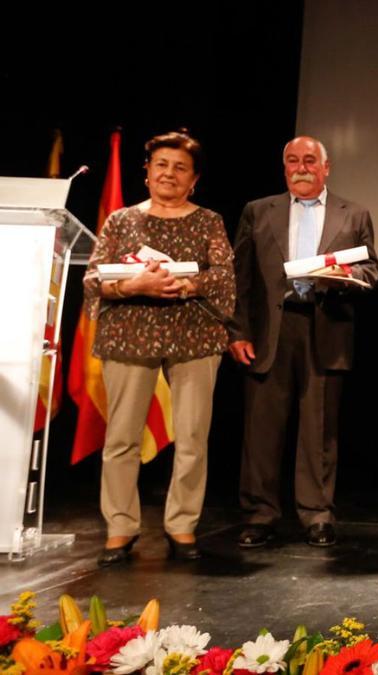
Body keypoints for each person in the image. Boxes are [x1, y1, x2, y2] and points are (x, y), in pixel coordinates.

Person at [82, 131, 235, 566]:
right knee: (122, 439)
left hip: (194, 335)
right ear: (146, 172)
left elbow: (223, 276)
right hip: (130, 335)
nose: (169, 173)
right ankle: (120, 528)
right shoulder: (120, 221)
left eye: (180, 168)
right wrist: (134, 284)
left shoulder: (208, 221)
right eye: (161, 165)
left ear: (194, 180)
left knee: (191, 437)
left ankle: (182, 525)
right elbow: (92, 279)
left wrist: (182, 283)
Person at [228, 136, 378, 548]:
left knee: (319, 429)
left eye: (310, 160)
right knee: (262, 430)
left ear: (326, 167)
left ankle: (317, 514)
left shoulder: (355, 213)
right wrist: (238, 332)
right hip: (269, 333)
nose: (301, 167)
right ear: (284, 169)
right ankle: (260, 514)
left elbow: (371, 271)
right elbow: (239, 278)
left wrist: (348, 279)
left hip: (325, 326)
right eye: (293, 161)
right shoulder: (258, 211)